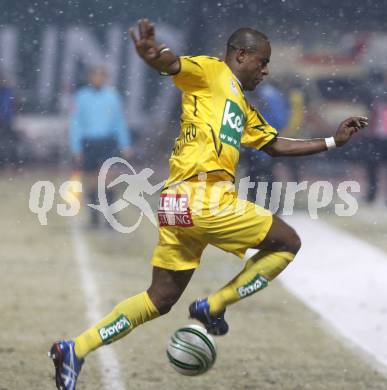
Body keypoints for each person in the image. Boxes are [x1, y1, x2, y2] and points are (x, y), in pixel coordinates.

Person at [49, 19, 368, 390]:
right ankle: (214, 305)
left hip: (173, 203)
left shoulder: (240, 105)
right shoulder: (212, 72)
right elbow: (173, 64)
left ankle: (75, 348)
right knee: (289, 242)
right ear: (241, 55)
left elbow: (275, 144)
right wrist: (155, 56)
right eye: (261, 62)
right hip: (205, 198)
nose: (265, 70)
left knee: (160, 298)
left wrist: (332, 141)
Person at [69, 66, 132, 227]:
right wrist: (76, 147)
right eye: (94, 75)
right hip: (89, 143)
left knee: (109, 179)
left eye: (100, 75)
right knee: (90, 180)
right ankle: (94, 218)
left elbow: (119, 121)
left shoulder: (112, 96)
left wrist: (125, 143)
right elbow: (76, 123)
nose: (97, 78)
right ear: (90, 77)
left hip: (107, 142)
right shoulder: (81, 96)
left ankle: (110, 217)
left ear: (105, 77)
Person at [0, 69, 17, 168]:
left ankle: (7, 163)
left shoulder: (6, 92)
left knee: (6, 142)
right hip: (5, 120)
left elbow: (7, 107)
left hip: (5, 121)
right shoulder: (6, 91)